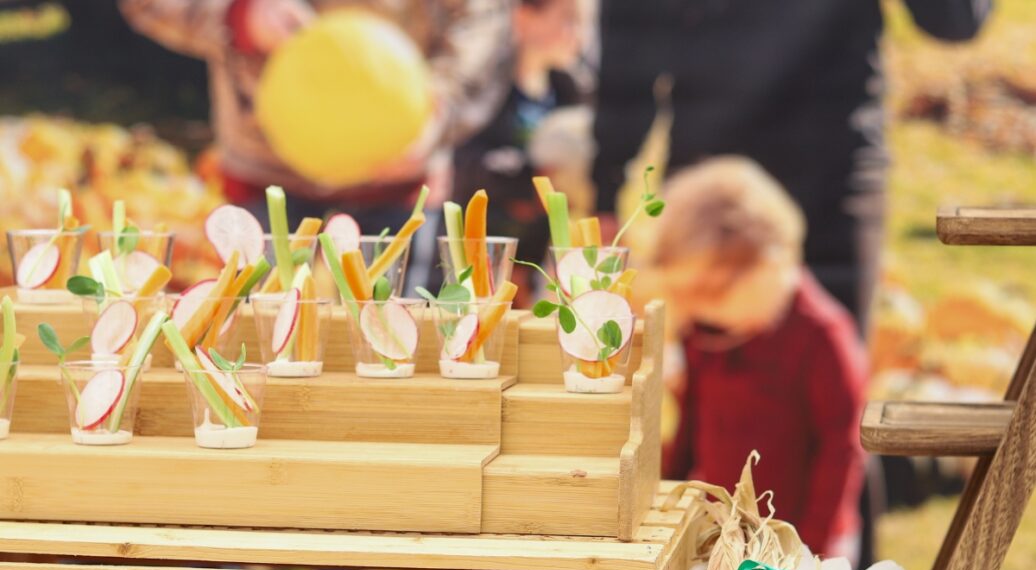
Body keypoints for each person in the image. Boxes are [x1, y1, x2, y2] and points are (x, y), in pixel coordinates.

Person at [592, 0, 992, 339]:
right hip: (715, 204)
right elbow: (632, 33)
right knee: (712, 408)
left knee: (832, 398)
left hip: (833, 186)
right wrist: (605, 190)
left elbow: (955, 19)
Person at [118, 0, 513, 254]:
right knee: (261, 348)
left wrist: (440, 112)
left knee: (389, 360)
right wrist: (238, 14)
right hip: (264, 178)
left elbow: (484, 22)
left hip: (399, 180)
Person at [653, 157, 867, 563]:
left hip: (802, 543)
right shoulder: (707, 332)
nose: (700, 311)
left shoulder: (822, 338)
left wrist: (809, 553)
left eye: (712, 296)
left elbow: (842, 450)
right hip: (727, 530)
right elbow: (693, 420)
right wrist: (669, 491)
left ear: (769, 264)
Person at [451, 0, 588, 281]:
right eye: (567, 20)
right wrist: (528, 182)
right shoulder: (484, 88)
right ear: (524, 18)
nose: (577, 34)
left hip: (534, 264)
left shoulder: (570, 92)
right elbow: (460, 162)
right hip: (474, 258)